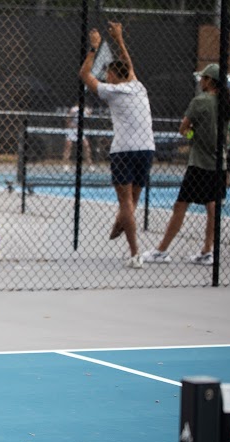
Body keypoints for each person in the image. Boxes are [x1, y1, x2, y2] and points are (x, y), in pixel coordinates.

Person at [80, 22, 155, 269]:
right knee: (131, 202)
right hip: (146, 149)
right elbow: (129, 64)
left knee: (126, 204)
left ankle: (135, 254)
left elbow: (84, 76)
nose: (106, 76)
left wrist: (94, 48)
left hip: (124, 151)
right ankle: (121, 224)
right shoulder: (138, 86)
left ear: (114, 75)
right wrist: (119, 39)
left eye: (109, 73)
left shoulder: (112, 91)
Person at [142, 63, 230, 266]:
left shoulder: (200, 101)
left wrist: (193, 135)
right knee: (212, 207)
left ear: (209, 81)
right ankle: (208, 251)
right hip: (219, 164)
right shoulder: (225, 103)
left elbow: (184, 128)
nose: (200, 81)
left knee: (180, 205)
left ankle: (161, 250)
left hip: (200, 164)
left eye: (203, 78)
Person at [62, 102, 94, 171]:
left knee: (86, 146)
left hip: (80, 130)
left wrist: (87, 111)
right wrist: (69, 126)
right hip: (71, 130)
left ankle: (90, 165)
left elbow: (90, 115)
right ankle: (65, 165)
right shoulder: (73, 109)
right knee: (68, 147)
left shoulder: (85, 109)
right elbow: (68, 119)